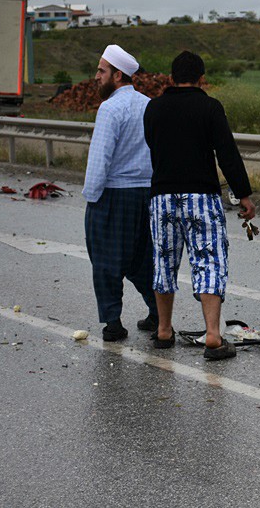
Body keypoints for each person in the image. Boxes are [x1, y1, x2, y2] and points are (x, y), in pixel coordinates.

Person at [143, 50, 256, 360]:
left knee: (164, 262)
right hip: (201, 197)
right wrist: (243, 195)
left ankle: (164, 330)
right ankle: (213, 335)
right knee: (208, 262)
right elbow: (227, 155)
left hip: (162, 198)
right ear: (201, 79)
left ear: (171, 77)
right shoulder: (210, 107)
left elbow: (152, 146)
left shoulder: (153, 109)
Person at [82, 44, 157, 341]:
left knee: (106, 259)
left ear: (118, 75)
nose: (96, 76)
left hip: (114, 194)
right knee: (144, 258)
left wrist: (92, 196)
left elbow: (100, 158)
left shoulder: (110, 108)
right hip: (148, 194)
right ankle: (157, 315)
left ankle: (113, 322)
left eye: (102, 71)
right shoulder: (149, 104)